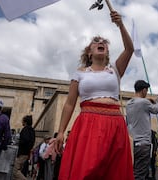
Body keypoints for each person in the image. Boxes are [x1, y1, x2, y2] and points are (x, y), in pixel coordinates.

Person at [54, 10, 134, 180]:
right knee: (87, 170)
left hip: (115, 122)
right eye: (96, 41)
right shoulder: (80, 73)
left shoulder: (115, 70)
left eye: (104, 42)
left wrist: (120, 25)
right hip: (88, 122)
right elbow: (69, 104)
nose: (101, 42)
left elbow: (130, 48)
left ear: (106, 51)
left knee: (114, 172)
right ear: (89, 52)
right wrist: (60, 132)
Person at [126, 80, 158, 180]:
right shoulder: (144, 102)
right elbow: (156, 110)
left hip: (132, 144)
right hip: (143, 144)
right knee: (140, 174)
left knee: (132, 172)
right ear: (144, 90)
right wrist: (154, 102)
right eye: (146, 90)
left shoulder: (128, 104)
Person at [13, 115, 35, 180]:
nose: (21, 122)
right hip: (26, 153)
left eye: (22, 121)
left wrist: (19, 142)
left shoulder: (25, 129)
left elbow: (25, 140)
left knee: (15, 171)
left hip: (22, 153)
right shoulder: (32, 130)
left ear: (25, 122)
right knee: (19, 171)